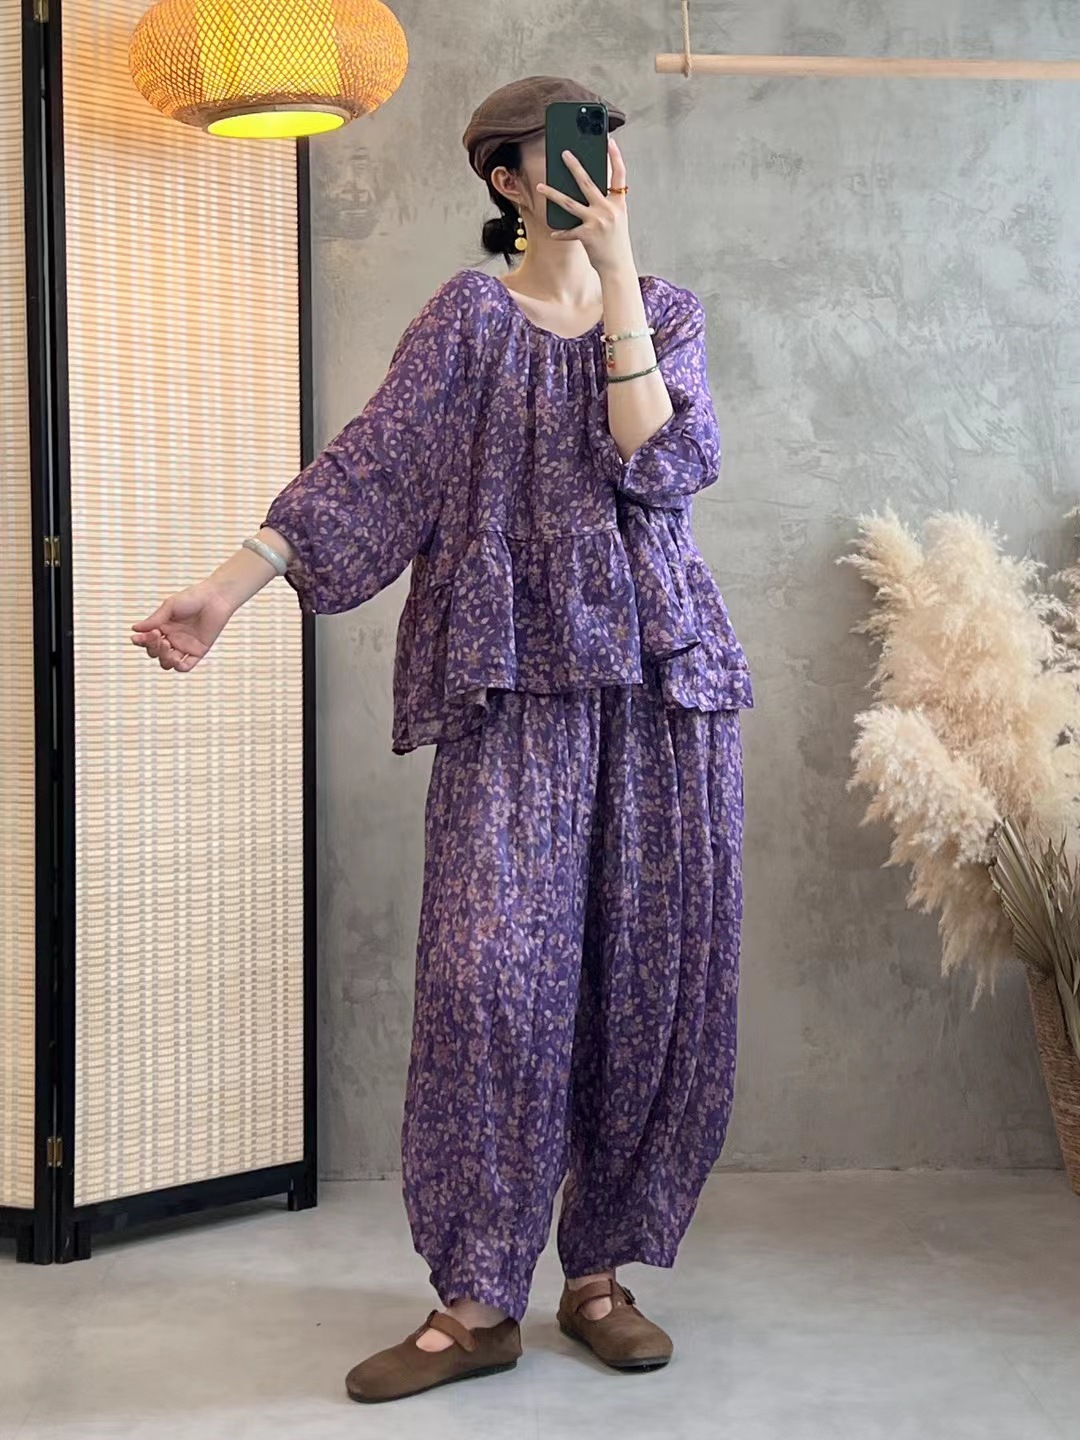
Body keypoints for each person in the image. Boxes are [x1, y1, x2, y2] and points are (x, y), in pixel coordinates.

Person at [131, 75, 754, 1403]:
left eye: (607, 148)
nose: (595, 169)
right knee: (492, 980)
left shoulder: (669, 313)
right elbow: (371, 470)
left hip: (662, 693)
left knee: (646, 980)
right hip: (516, 689)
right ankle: (478, 1303)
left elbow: (659, 462)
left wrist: (619, 271)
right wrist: (226, 592)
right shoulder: (470, 323)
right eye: (562, 153)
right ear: (507, 182)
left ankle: (598, 1278)